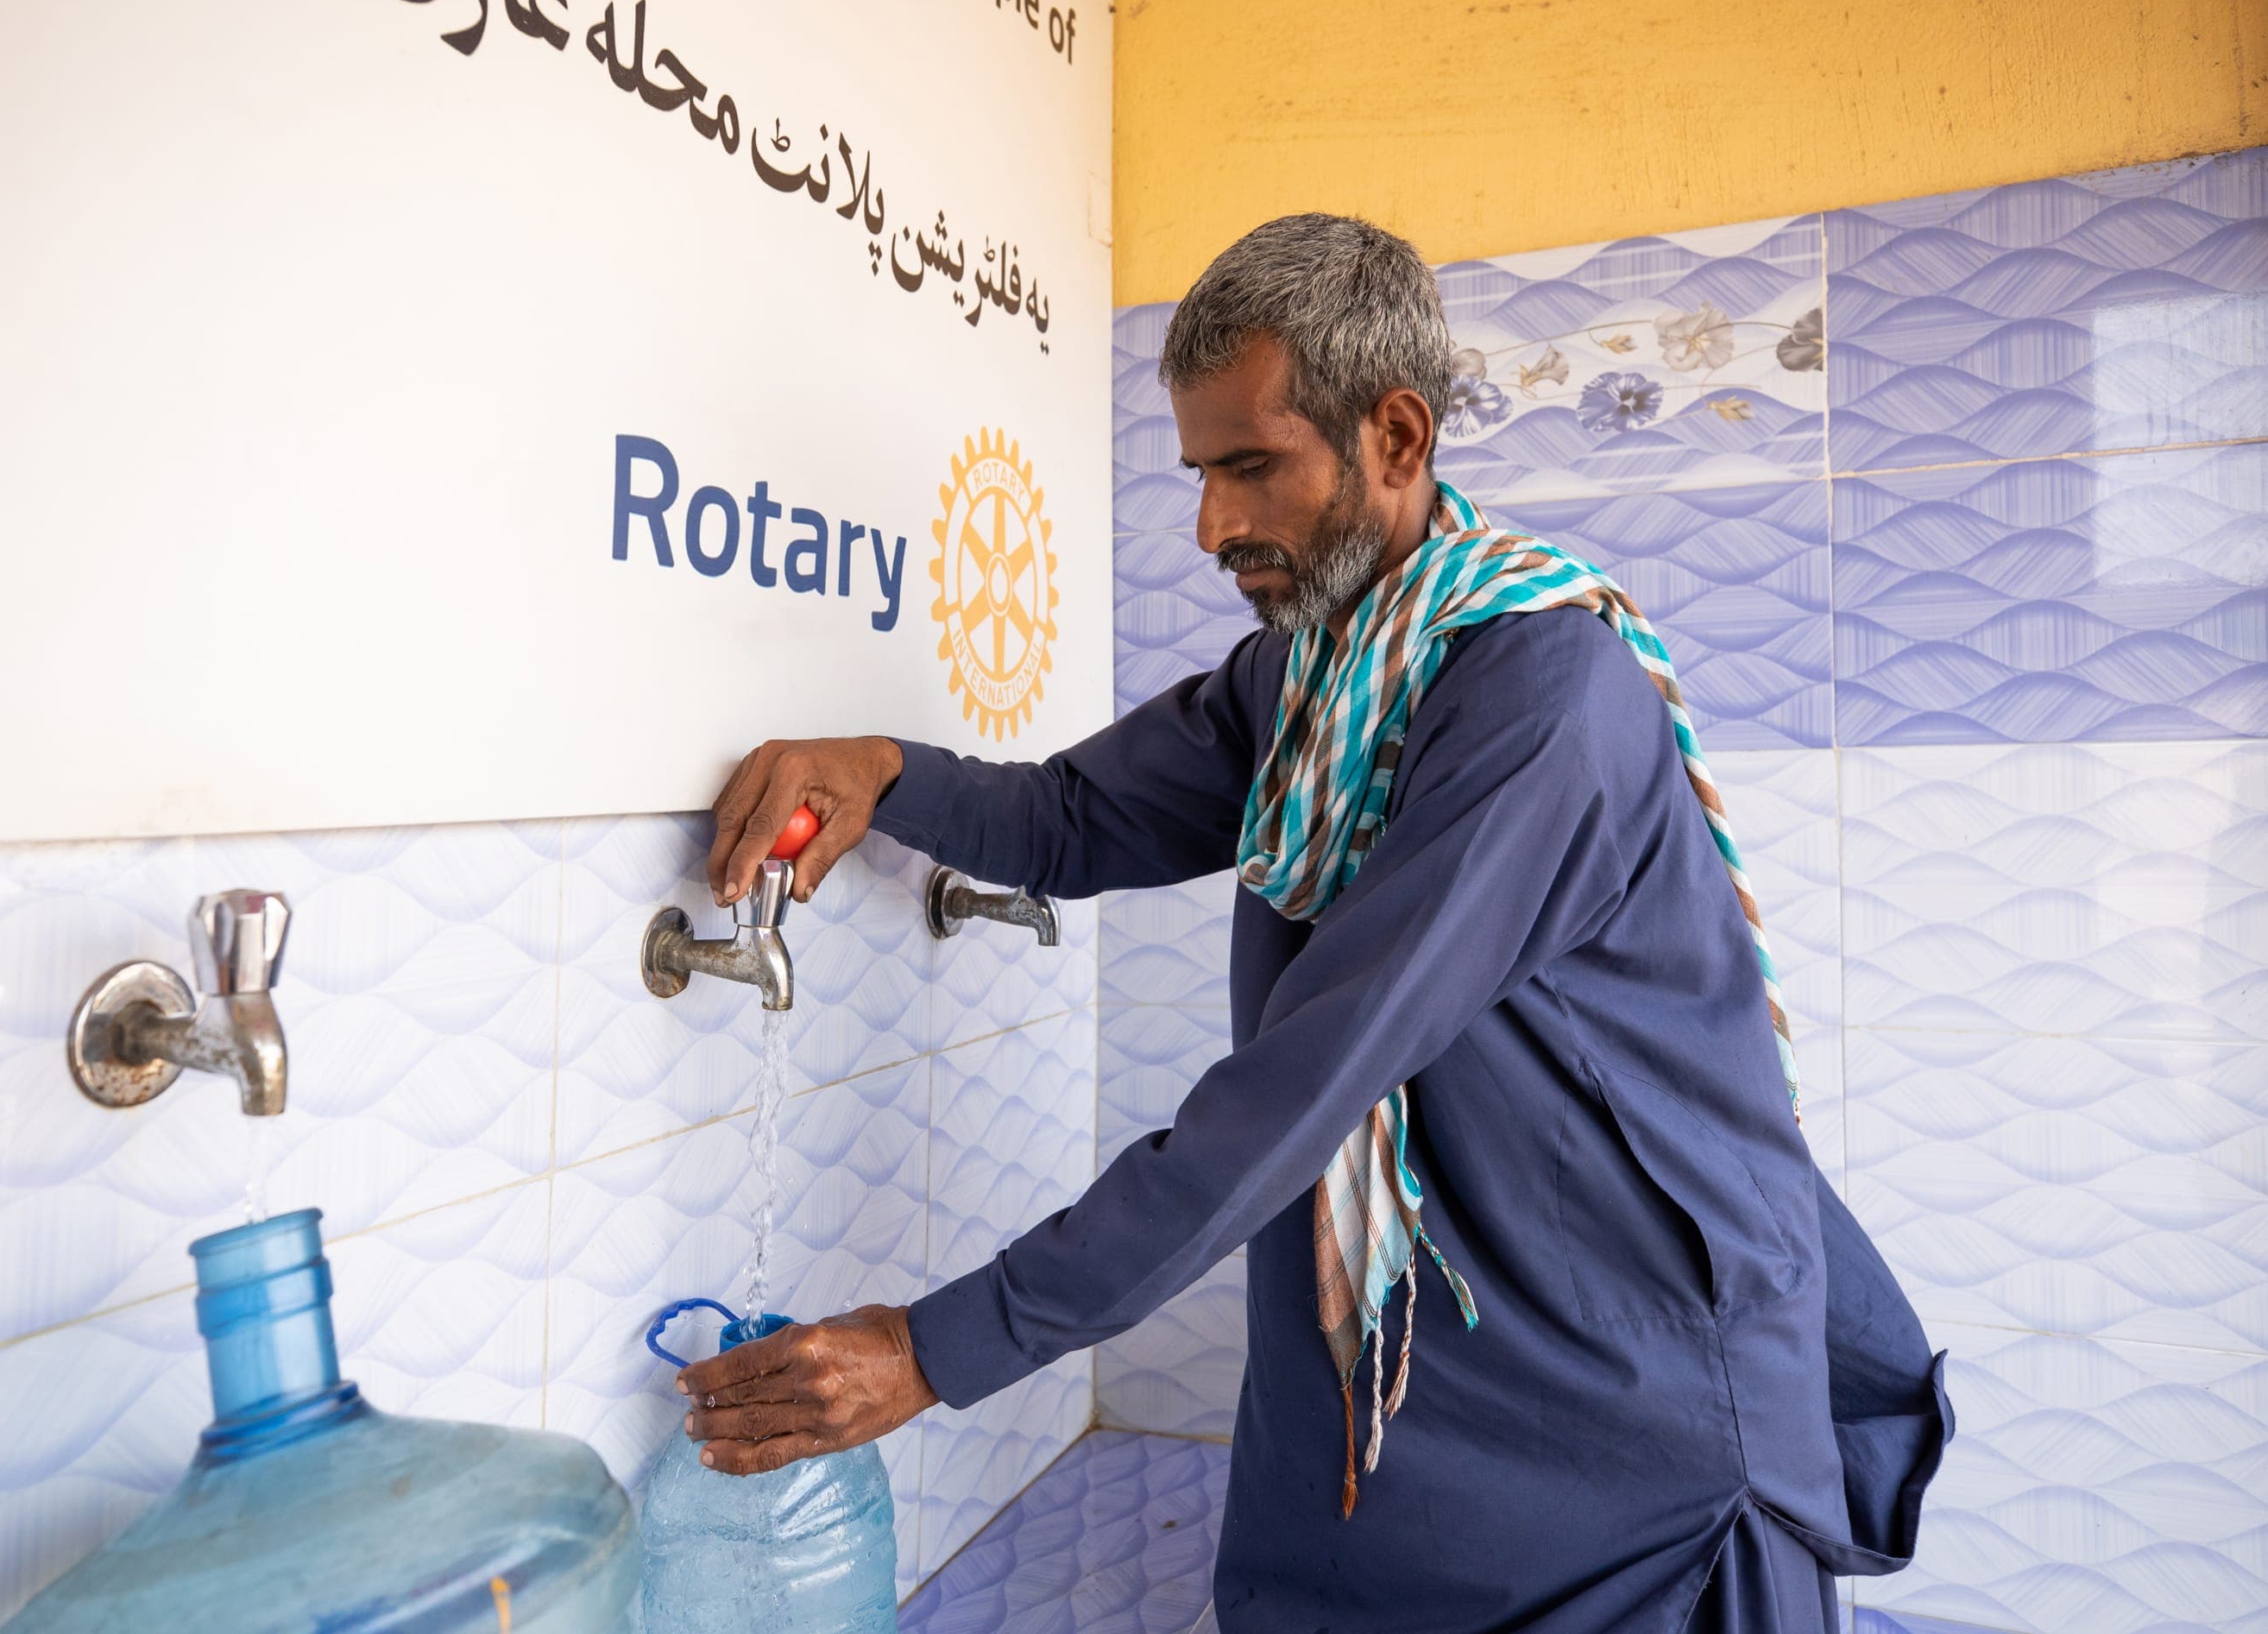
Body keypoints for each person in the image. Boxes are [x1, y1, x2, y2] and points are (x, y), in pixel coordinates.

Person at [673, 215, 1950, 1631]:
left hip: (1627, 1425)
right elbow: (1082, 817)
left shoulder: (1543, 706)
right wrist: (890, 774)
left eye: (1250, 466)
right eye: (1200, 474)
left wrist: (939, 1346)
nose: (1213, 525)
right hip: (1410, 1404)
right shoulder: (1313, 682)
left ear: (1395, 438)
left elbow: (1301, 1084)